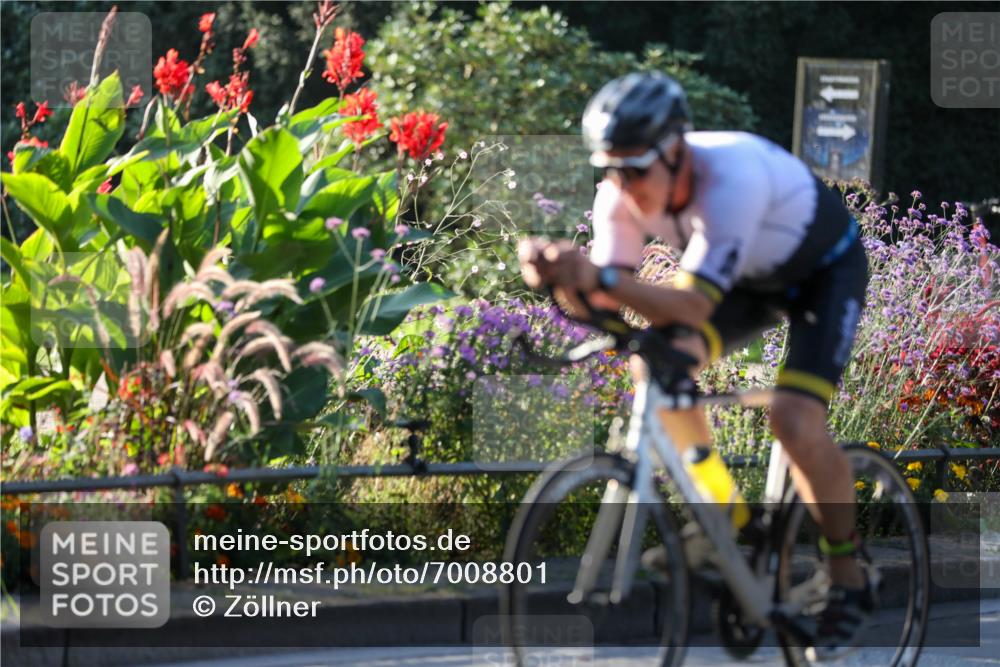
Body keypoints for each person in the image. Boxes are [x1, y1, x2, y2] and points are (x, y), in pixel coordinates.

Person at [518, 71, 875, 658]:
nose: (623, 185)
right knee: (655, 367)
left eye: (636, 169)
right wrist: (558, 278)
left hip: (822, 274)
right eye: (610, 169)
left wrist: (597, 276)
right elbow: (606, 303)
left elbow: (689, 306)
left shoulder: (729, 178)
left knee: (793, 418)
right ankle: (728, 521)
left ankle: (847, 572)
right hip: (744, 283)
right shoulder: (617, 196)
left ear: (676, 151)